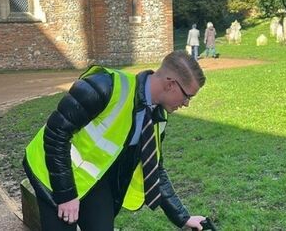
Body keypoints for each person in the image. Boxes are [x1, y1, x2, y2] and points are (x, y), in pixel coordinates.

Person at [23, 51, 209, 230]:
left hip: (93, 178)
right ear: (171, 84)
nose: (186, 103)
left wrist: (183, 217)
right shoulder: (105, 86)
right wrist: (66, 196)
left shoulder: (157, 115)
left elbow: (153, 168)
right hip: (51, 171)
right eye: (187, 96)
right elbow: (55, 134)